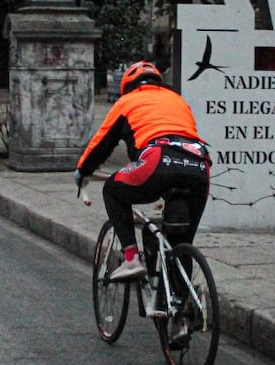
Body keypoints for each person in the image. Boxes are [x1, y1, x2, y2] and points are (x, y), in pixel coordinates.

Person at [74, 61, 211, 281]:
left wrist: (82, 170)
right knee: (181, 242)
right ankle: (182, 308)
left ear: (127, 85)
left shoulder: (126, 102)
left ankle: (131, 258)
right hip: (198, 163)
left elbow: (101, 144)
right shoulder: (178, 100)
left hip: (158, 158)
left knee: (112, 190)